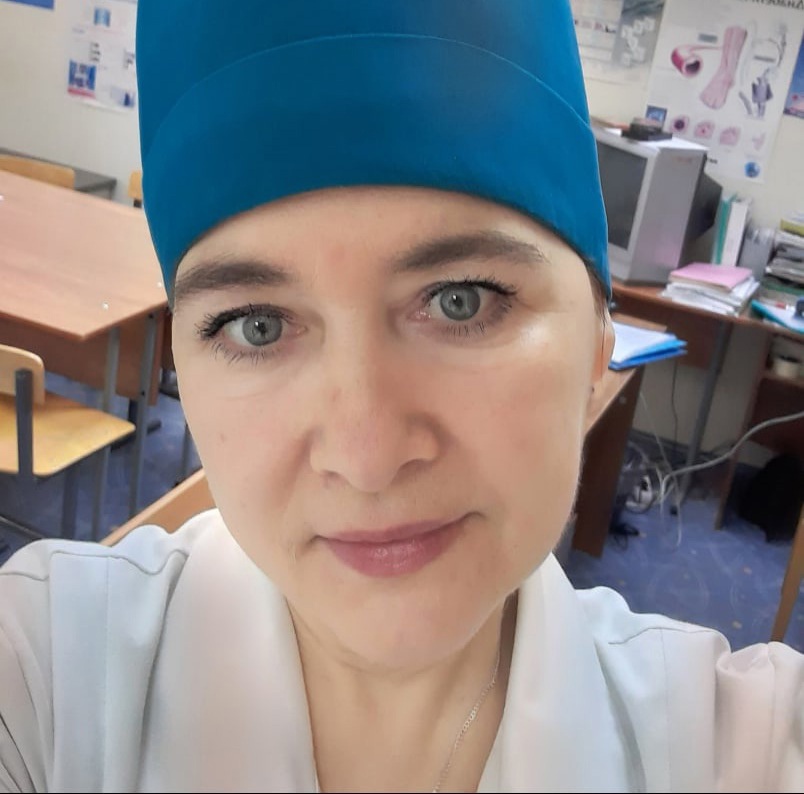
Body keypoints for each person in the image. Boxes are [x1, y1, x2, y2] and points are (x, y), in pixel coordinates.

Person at [0, 2, 802, 791]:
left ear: (599, 344)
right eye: (256, 326)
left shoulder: (742, 751)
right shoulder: (44, 675)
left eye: (461, 300)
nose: (368, 457)